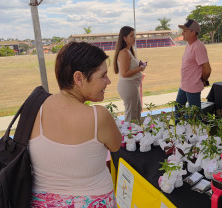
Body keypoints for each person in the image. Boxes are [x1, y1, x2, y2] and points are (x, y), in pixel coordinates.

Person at [29, 42, 122, 207]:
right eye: (102, 75)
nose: (108, 81)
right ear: (79, 78)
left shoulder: (36, 107)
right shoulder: (98, 116)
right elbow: (115, 146)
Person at [175, 19, 212, 122]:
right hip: (184, 85)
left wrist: (203, 80)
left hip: (193, 88)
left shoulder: (198, 47)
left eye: (185, 31)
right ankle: (179, 132)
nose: (183, 33)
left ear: (193, 32)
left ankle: (197, 136)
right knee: (178, 109)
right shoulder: (189, 44)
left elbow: (207, 70)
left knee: (195, 116)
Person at [114, 26, 146, 123]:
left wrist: (139, 67)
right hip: (128, 85)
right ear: (124, 38)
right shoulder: (124, 53)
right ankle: (130, 135)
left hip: (132, 86)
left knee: (137, 110)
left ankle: (137, 133)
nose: (134, 38)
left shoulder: (129, 51)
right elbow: (124, 73)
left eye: (134, 35)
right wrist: (140, 68)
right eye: (131, 36)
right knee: (131, 114)